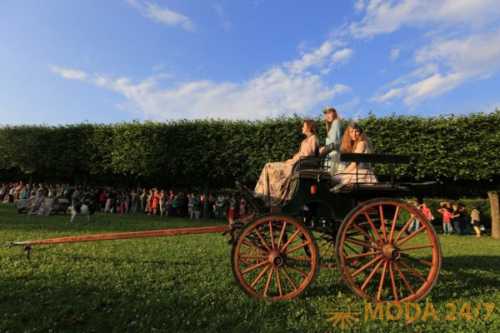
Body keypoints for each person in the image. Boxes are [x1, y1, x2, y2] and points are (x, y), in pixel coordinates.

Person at [254, 119, 319, 206]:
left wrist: (292, 160)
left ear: (309, 127)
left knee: (268, 166)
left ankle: (263, 195)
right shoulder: (305, 141)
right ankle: (262, 194)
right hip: (294, 163)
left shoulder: (313, 138)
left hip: (296, 166)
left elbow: (307, 155)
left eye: (304, 126)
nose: (302, 127)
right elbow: (301, 154)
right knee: (268, 166)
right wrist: (291, 160)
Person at [319, 107, 342, 175]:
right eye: (326, 114)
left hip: (334, 155)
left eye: (329, 113)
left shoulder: (336, 122)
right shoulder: (333, 125)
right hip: (332, 155)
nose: (327, 116)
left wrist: (324, 148)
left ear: (334, 113)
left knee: (330, 177)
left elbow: (334, 142)